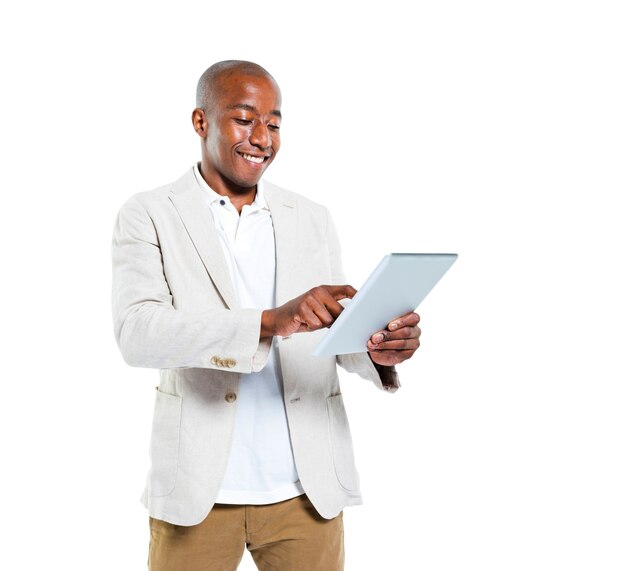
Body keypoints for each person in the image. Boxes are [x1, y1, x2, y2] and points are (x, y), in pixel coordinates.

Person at [111, 60, 421, 571]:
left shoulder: (312, 217)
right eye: (244, 118)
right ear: (200, 121)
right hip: (198, 493)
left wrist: (377, 349)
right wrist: (266, 323)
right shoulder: (149, 213)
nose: (262, 138)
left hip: (306, 492)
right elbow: (137, 333)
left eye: (274, 123)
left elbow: (329, 337)